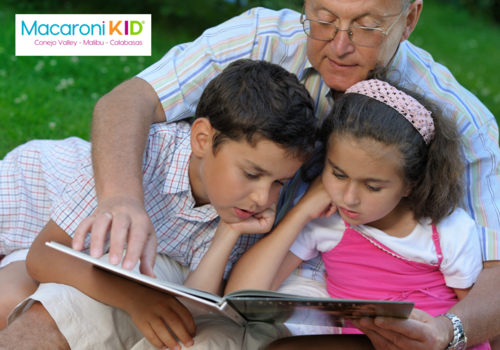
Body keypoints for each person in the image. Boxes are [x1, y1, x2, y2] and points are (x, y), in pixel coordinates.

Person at [3, 0, 500, 348]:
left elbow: (493, 273)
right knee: (24, 292)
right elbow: (128, 100)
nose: (340, 45)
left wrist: (449, 332)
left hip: (286, 276)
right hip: (117, 209)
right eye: (324, 20)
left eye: (367, 26)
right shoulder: (261, 38)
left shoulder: (461, 122)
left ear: (409, 18)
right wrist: (121, 198)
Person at [0, 59, 318, 349]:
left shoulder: (245, 210)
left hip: (65, 249)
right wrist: (136, 299)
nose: (263, 197)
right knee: (11, 303)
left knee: (15, 301)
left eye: (279, 182)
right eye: (251, 173)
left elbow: (197, 302)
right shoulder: (149, 153)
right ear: (202, 140)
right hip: (29, 198)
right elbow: (46, 254)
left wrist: (229, 232)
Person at [225, 79, 490, 350]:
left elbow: (484, 320)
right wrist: (302, 210)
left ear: (410, 184)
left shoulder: (446, 230)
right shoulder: (325, 224)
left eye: (372, 186)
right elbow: (241, 298)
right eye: (338, 174)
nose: (349, 197)